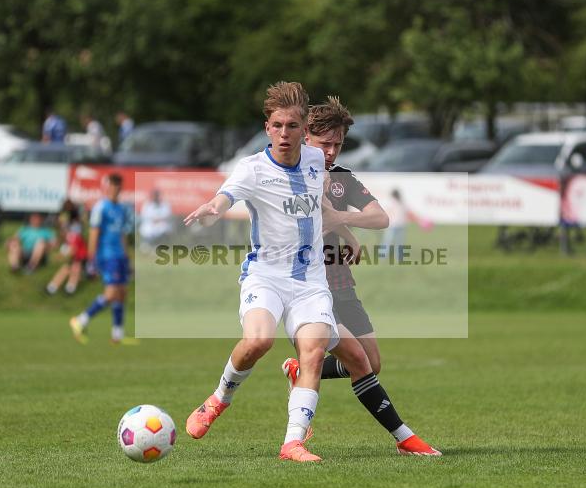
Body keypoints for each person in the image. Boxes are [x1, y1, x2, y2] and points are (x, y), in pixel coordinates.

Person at [182, 81, 339, 462]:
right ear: (267, 127)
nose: (284, 133)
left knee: (314, 352)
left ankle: (293, 443)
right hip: (265, 274)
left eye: (292, 126)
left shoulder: (317, 161)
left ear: (305, 130)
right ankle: (219, 399)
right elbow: (227, 195)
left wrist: (342, 229)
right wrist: (214, 206)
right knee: (259, 341)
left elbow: (321, 194)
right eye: (277, 125)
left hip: (310, 280)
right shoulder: (251, 168)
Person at [281, 96, 441, 456]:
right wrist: (340, 228)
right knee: (334, 357)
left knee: (371, 362)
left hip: (341, 282)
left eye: (338, 144)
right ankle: (299, 437)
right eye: (325, 144)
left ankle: (301, 371)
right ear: (306, 136)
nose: (332, 152)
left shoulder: (341, 179)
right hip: (306, 287)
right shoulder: (288, 174)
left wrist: (344, 222)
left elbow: (381, 218)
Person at [69, 173, 133, 344]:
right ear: (107, 187)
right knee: (111, 293)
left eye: (118, 187)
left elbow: (123, 235)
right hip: (106, 255)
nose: (115, 190)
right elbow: (94, 233)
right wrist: (91, 260)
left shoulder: (121, 208)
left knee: (122, 293)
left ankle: (117, 335)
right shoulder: (100, 207)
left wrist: (127, 258)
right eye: (112, 187)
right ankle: (80, 320)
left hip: (120, 256)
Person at [46, 201, 87, 295]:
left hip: (81, 259)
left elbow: (73, 250)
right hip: (75, 258)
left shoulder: (74, 232)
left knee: (74, 267)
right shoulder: (68, 232)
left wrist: (59, 256)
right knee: (67, 267)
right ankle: (53, 287)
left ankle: (68, 288)